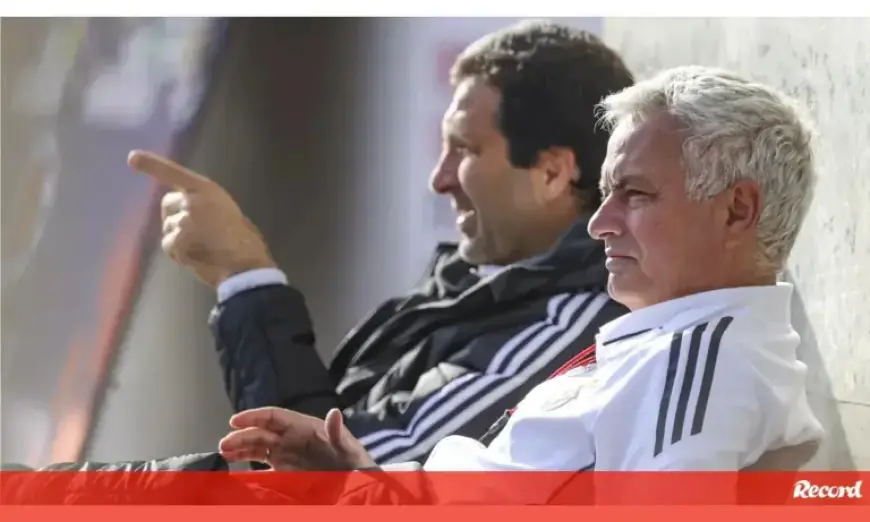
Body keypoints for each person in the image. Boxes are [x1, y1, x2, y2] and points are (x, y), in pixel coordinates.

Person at [212, 65, 826, 502]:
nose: (600, 223)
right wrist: (358, 477)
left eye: (636, 194)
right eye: (607, 192)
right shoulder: (673, 347)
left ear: (737, 211)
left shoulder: (700, 365)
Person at [126, 19, 634, 466]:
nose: (440, 179)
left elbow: (333, 477)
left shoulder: (573, 325)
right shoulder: (476, 282)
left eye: (465, 149)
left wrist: (244, 275)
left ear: (552, 173)